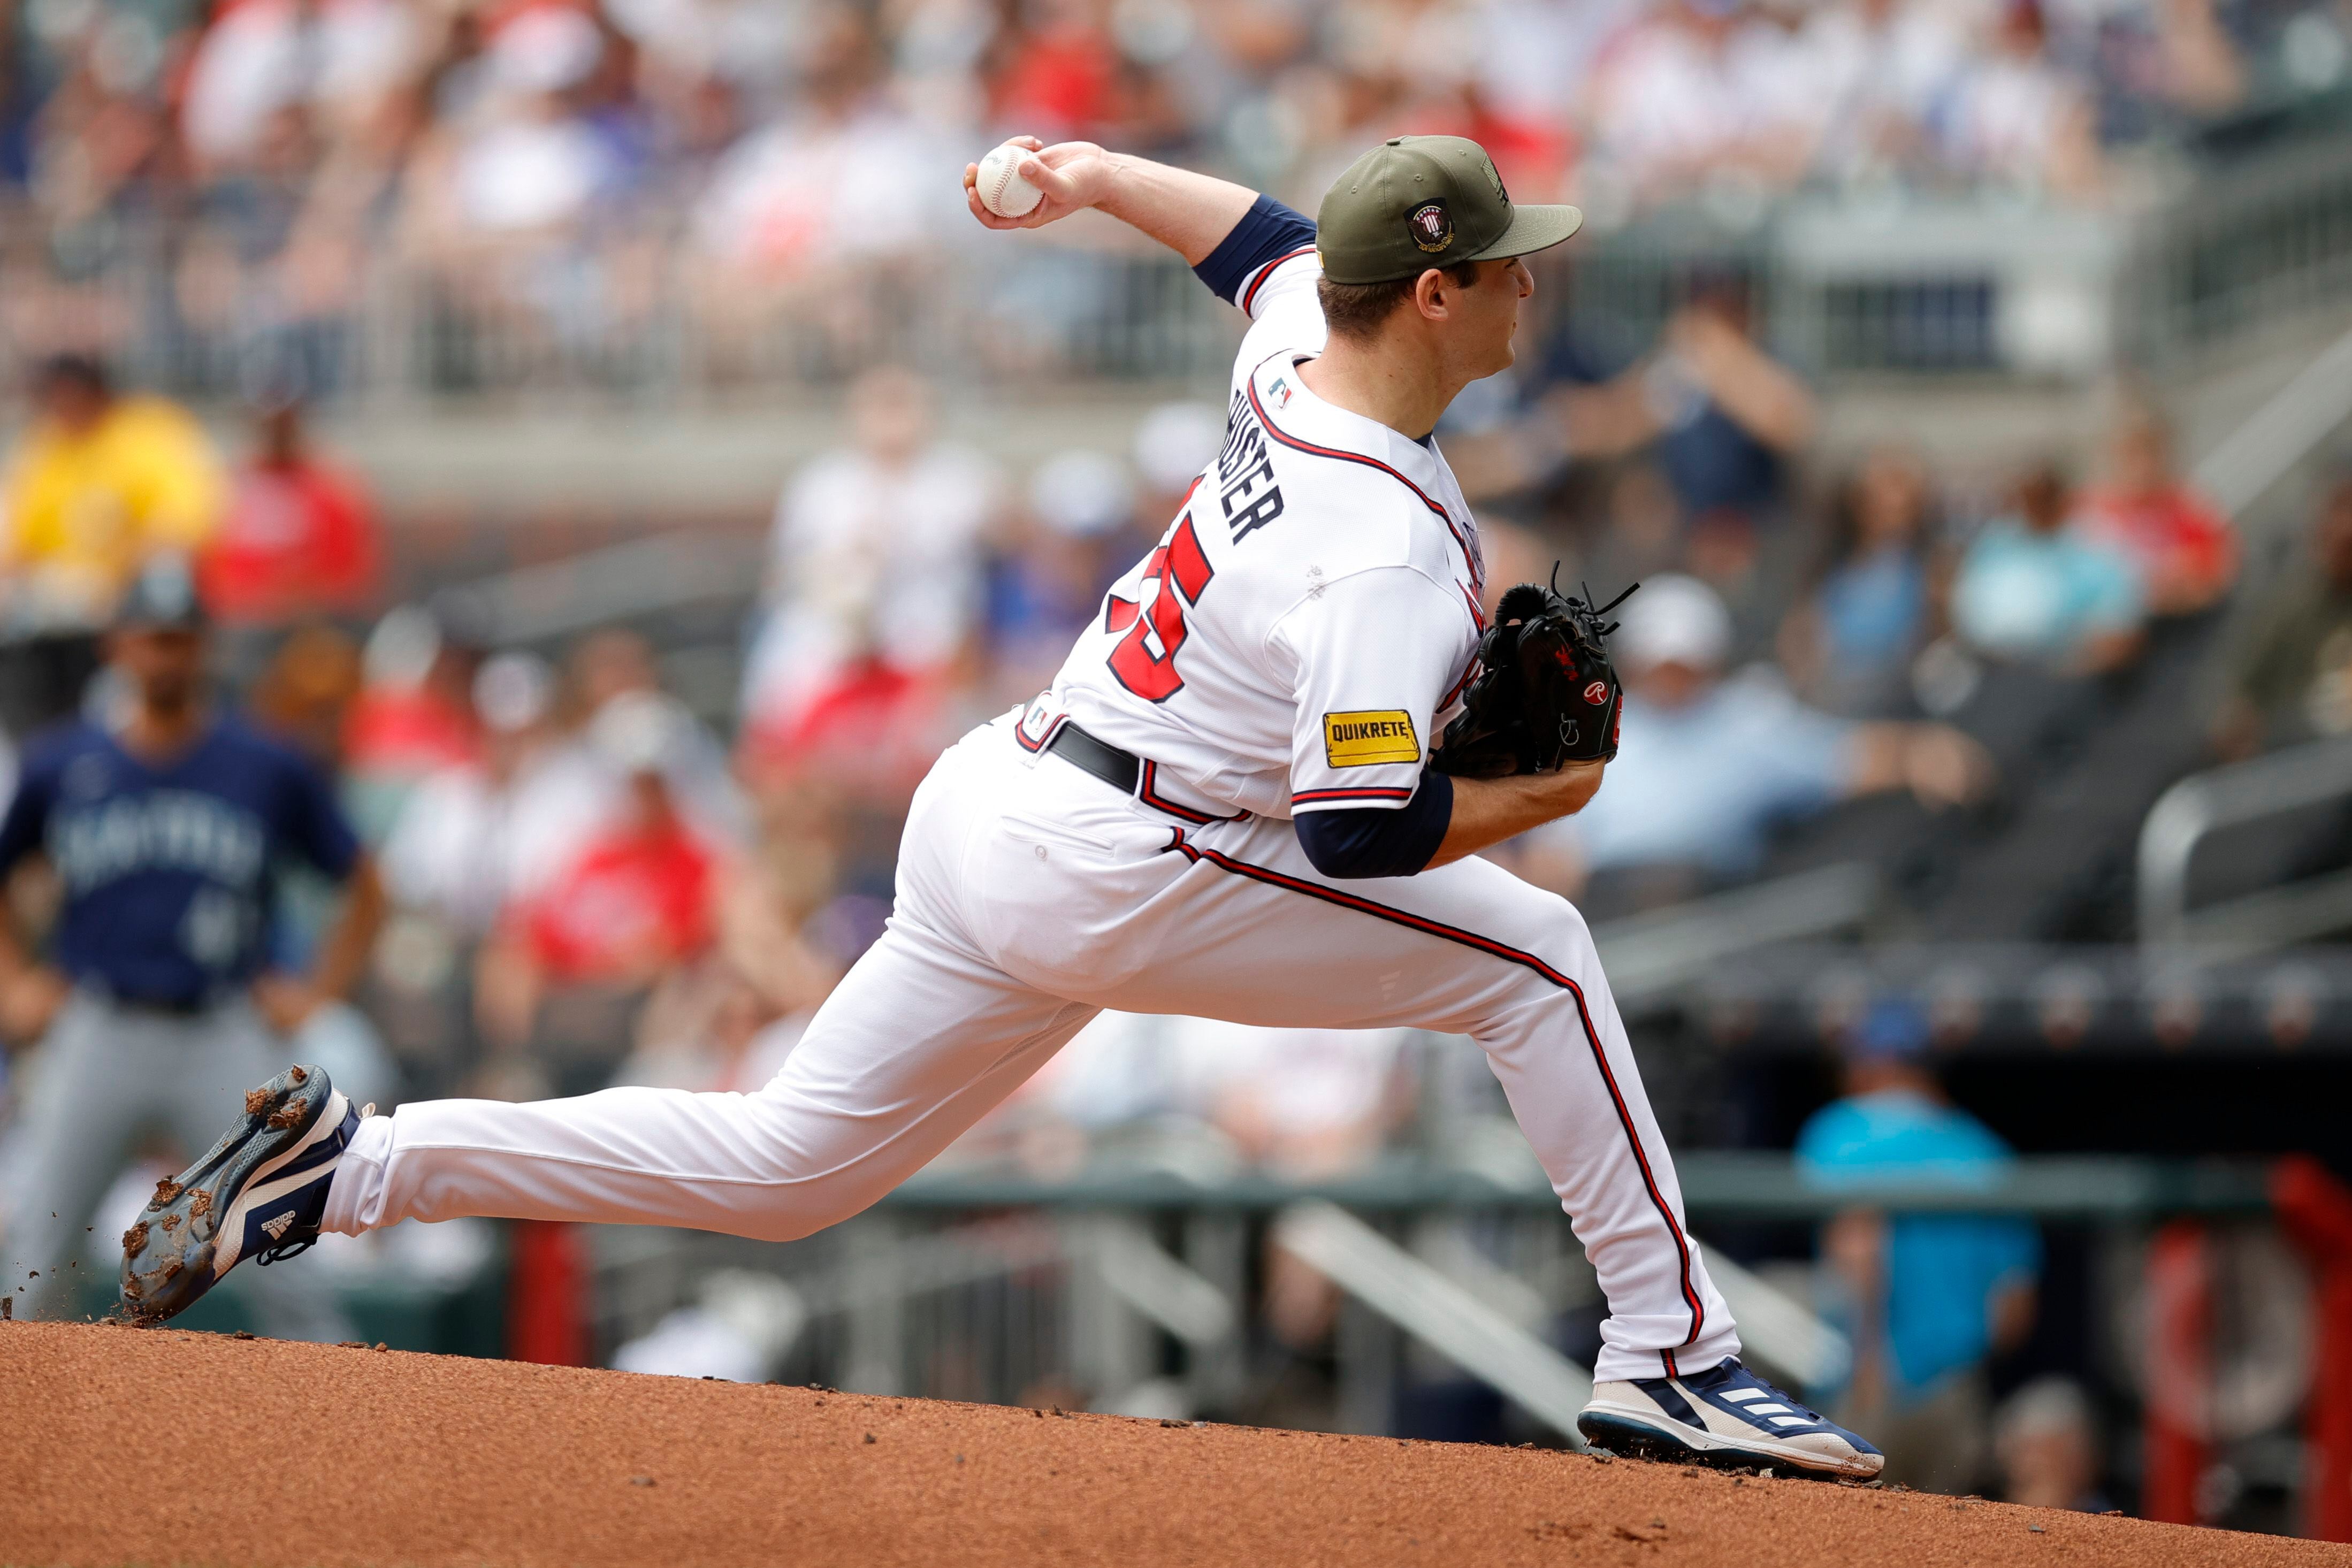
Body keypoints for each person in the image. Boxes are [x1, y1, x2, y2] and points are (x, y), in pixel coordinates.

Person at [124, 131, 1881, 1478]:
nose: (1526, 287)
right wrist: (1541, 791)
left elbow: (1257, 242)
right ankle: (1666, 1349)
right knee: (1543, 957)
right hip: (1126, 849)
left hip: (1010, 797)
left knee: (790, 1167)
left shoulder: (1299, 347)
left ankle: (357, 1167)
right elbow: (1357, 839)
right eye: (1502, 266)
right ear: (1430, 298)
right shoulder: (1378, 557)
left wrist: (1085, 170)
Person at [0, 555, 385, 1329]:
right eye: (151, 638)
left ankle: (345, 1441)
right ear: (118, 646)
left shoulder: (265, 765)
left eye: (179, 639)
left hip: (223, 1032)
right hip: (100, 1025)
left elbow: (367, 884)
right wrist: (15, 977)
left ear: (205, 648)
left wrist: (317, 988)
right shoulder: (65, 762)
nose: (164, 655)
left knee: (288, 1258)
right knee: (33, 1254)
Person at [1531, 574, 1990, 912]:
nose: (1670, 675)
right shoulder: (1591, 732)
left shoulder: (1747, 722)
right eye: (1658, 662)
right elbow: (1558, 855)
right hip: (1607, 906)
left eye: (1682, 662)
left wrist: (1922, 752)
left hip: (1703, 899)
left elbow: (1845, 755)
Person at [1798, 998, 2041, 1494]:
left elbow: (1858, 1251)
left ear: (1871, 1061)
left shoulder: (1841, 1130)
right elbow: (2013, 1311)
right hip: (1957, 1388)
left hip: (1870, 1380)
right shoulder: (1984, 1149)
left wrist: (1869, 1368)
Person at [0, 356, 226, 738]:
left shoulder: (148, 434)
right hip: (56, 615)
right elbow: (16, 534)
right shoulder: (46, 445)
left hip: (131, 602)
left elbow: (186, 522)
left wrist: (116, 577)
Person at [1778, 445, 1944, 716]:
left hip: (1896, 702)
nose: (1893, 511)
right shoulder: (1829, 566)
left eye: (1904, 504)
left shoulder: (1929, 570)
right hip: (1827, 697)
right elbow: (1800, 635)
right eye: (1880, 501)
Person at [196, 396, 381, 628]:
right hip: (239, 628)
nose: (274, 432)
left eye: (282, 422)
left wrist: (298, 597)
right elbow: (209, 574)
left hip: (309, 631)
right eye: (267, 422)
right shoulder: (223, 491)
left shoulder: (330, 492)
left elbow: (352, 580)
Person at [1949, 463, 2144, 672]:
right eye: (2030, 496)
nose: (2037, 504)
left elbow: (2120, 630)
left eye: (2044, 496)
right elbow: (1966, 610)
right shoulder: (1996, 543)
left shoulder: (2095, 546)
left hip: (2069, 674)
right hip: (1994, 670)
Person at [2213, 477, 2352, 758]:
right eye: (2337, 511)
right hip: (2293, 759)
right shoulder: (2287, 606)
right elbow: (2235, 698)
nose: (2345, 529)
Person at [2073, 404, 2235, 618]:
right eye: (2131, 453)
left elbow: (2215, 579)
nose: (2142, 466)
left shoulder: (2190, 508)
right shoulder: (2090, 510)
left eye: (2151, 452)